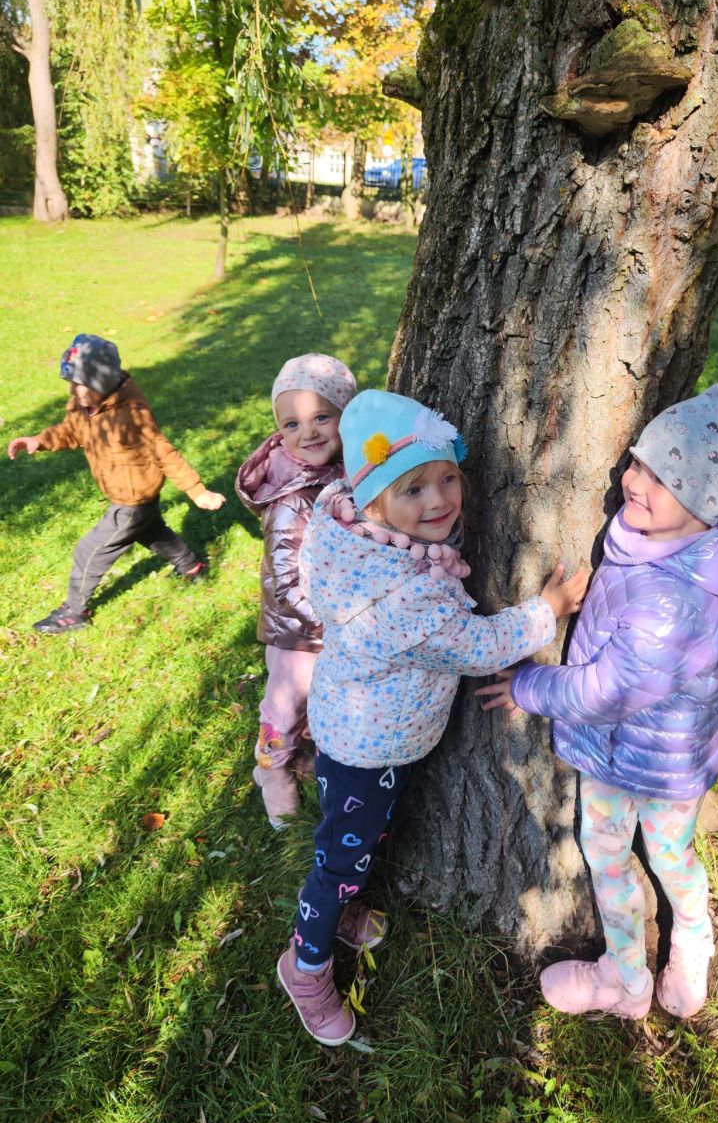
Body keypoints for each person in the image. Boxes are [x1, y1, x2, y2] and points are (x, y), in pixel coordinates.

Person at [276, 389, 590, 1046]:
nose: (439, 500)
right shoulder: (405, 596)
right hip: (367, 748)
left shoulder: (354, 540)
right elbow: (477, 646)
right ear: (373, 502)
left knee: (362, 839)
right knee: (339, 860)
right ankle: (306, 966)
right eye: (413, 489)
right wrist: (548, 610)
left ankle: (344, 910)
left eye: (447, 477)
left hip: (359, 731)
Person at [477, 379, 718, 1021]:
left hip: (648, 760)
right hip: (637, 753)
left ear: (705, 504)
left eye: (663, 479)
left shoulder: (669, 606)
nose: (633, 482)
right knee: (628, 856)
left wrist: (527, 685)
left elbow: (608, 690)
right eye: (639, 463)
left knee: (648, 857)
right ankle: (641, 970)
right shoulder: (669, 539)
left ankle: (670, 958)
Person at [7, 334, 225, 632]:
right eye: (71, 383)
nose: (74, 391)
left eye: (81, 384)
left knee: (90, 550)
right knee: (152, 531)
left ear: (103, 381)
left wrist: (197, 491)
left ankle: (75, 611)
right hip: (131, 495)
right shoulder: (84, 404)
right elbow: (70, 431)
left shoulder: (131, 413)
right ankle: (192, 567)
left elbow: (163, 452)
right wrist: (39, 441)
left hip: (132, 500)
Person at [236, 353, 357, 829]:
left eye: (321, 417)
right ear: (279, 433)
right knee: (286, 705)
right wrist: (326, 623)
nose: (308, 432)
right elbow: (285, 580)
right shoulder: (291, 496)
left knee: (325, 701)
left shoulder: (347, 471)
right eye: (291, 424)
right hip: (298, 629)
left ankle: (304, 756)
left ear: (346, 415)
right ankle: (271, 770)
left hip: (334, 621)